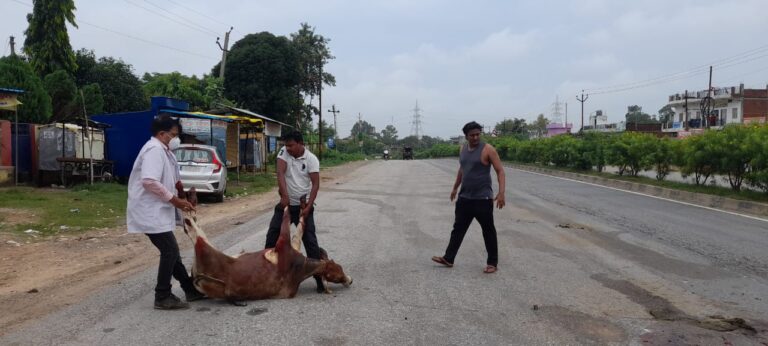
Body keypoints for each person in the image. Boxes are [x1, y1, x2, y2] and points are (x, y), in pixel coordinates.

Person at [127, 115, 206, 310]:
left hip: (159, 210)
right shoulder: (154, 150)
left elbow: (174, 178)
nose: (176, 139)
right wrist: (175, 200)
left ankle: (190, 289)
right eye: (173, 135)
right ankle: (162, 295)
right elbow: (149, 181)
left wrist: (185, 195)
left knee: (172, 252)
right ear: (161, 134)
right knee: (170, 251)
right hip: (149, 210)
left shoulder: (166, 152)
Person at [431, 121, 506, 274]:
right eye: (472, 135)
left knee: (488, 231)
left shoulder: (488, 149)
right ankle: (449, 258)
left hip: (483, 199)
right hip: (465, 198)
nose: (475, 137)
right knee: (458, 229)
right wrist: (454, 188)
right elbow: (462, 169)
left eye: (478, 134)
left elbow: (500, 171)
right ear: (466, 136)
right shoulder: (463, 149)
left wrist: (501, 192)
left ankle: (492, 263)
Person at [264, 131, 326, 292]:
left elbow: (316, 185)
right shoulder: (284, 152)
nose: (288, 148)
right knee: (272, 236)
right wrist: (284, 196)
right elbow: (280, 172)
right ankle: (267, 275)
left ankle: (319, 279)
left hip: (302, 206)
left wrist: (309, 207)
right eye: (286, 145)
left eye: (291, 145)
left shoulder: (311, 159)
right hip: (285, 205)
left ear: (301, 143)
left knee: (310, 243)